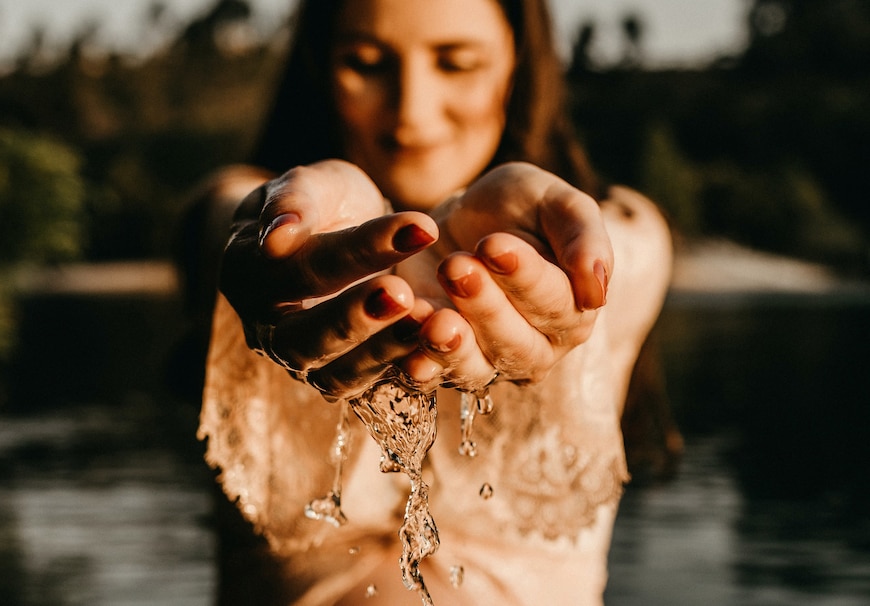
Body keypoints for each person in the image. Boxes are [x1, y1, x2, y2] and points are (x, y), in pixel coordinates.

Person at [191, 0, 674, 604]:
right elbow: (223, 222)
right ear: (319, 66)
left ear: (518, 67)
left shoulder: (625, 234)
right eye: (365, 63)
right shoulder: (241, 222)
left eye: (457, 63)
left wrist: (564, 253)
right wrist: (274, 231)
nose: (410, 117)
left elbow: (620, 246)